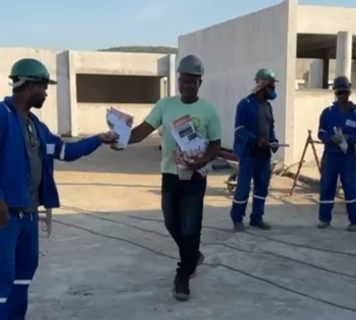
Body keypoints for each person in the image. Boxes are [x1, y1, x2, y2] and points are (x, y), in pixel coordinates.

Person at [0, 58, 116, 320]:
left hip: (29, 214)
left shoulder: (36, 126)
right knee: (2, 281)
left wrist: (98, 139)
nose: (46, 93)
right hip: (6, 218)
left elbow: (65, 151)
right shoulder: (3, 117)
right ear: (30, 86)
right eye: (44, 87)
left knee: (23, 276)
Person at [120, 55, 221, 301]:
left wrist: (202, 160)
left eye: (191, 81)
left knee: (190, 227)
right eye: (183, 80)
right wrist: (120, 138)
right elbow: (142, 131)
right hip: (170, 174)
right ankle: (192, 255)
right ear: (178, 80)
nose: (186, 85)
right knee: (170, 223)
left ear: (200, 82)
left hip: (196, 176)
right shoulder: (165, 106)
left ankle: (183, 274)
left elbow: (216, 146)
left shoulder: (208, 110)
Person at [230, 68, 280, 232]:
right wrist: (255, 141)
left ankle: (256, 217)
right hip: (249, 154)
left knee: (262, 188)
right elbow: (239, 128)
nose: (273, 91)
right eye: (271, 87)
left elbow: (270, 127)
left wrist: (273, 141)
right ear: (262, 86)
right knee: (243, 187)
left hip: (264, 155)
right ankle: (237, 219)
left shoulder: (267, 107)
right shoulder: (245, 104)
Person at [317, 76, 356, 231]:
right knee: (327, 187)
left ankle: (354, 221)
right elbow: (321, 132)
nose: (343, 96)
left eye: (345, 92)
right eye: (339, 93)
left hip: (348, 157)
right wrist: (330, 138)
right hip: (331, 156)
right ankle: (324, 219)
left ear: (350, 92)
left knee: (351, 187)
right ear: (335, 93)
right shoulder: (327, 112)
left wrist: (348, 138)